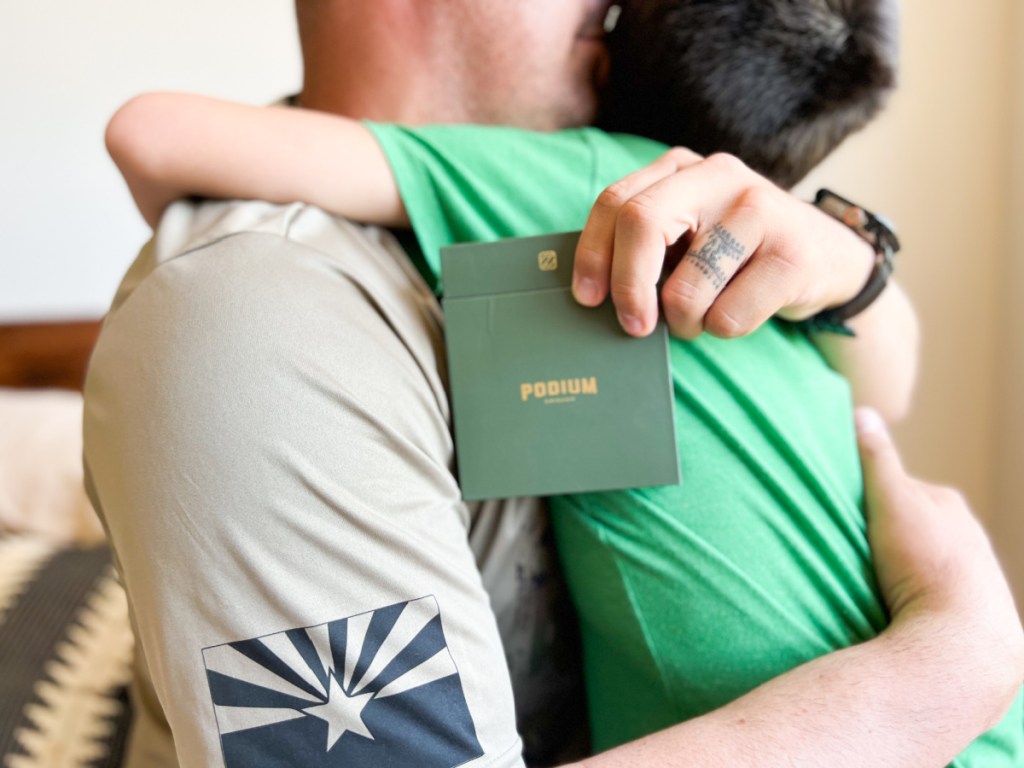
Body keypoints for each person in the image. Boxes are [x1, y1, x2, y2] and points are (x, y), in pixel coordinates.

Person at [84, 1, 1023, 766]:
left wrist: (850, 266)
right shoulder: (260, 321)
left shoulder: (584, 215)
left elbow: (884, 388)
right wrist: (935, 687)